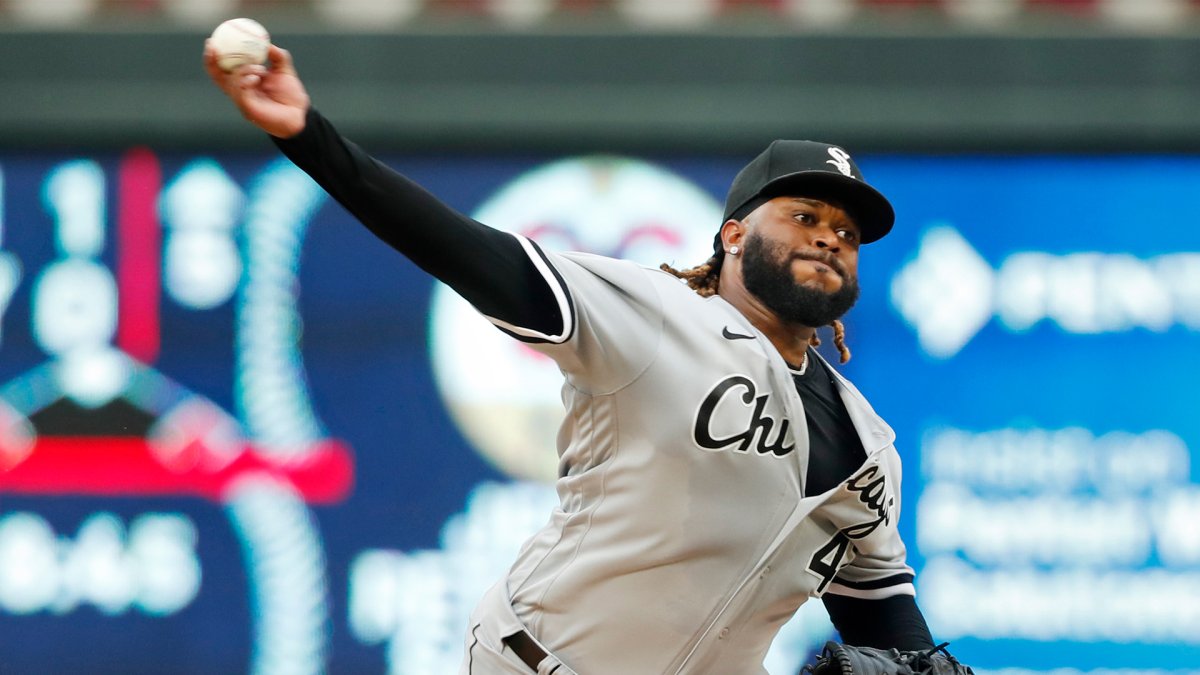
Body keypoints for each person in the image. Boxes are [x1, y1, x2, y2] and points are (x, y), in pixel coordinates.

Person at [205, 42, 943, 675]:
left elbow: (878, 609)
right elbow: (459, 246)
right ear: (733, 237)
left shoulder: (868, 443)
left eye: (845, 232)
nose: (827, 237)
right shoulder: (652, 316)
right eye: (804, 216)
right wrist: (309, 137)